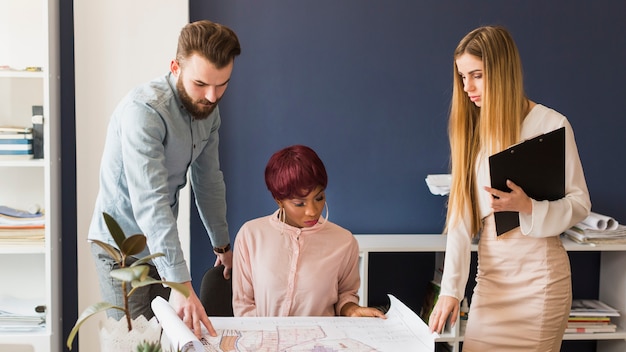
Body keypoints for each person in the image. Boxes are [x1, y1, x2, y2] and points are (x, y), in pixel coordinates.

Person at [427, 26, 591, 351]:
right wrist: (450, 290)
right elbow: (459, 220)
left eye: (476, 75)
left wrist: (530, 206)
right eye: (462, 77)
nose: (467, 88)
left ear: (501, 72)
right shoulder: (472, 131)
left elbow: (579, 204)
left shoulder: (551, 125)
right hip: (491, 281)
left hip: (540, 282)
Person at [88, 20, 241, 338]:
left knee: (166, 338)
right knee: (135, 342)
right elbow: (151, 202)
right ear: (175, 67)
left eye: (221, 84)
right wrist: (182, 285)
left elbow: (209, 179)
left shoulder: (208, 110)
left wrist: (222, 245)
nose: (212, 97)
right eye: (200, 84)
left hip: (157, 248)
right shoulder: (143, 112)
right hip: (120, 249)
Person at [232, 145, 386, 319]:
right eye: (300, 203)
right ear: (279, 201)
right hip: (264, 343)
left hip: (321, 344)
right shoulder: (251, 236)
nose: (312, 211)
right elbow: (243, 305)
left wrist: (351, 309)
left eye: (319, 198)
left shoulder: (344, 241)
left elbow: (346, 294)